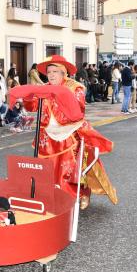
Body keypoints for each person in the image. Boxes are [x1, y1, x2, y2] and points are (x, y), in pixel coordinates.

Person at [22, 55, 117, 210]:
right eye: (49, 72)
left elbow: (77, 112)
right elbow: (32, 107)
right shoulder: (45, 88)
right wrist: (29, 94)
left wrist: (57, 95)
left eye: (55, 71)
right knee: (47, 168)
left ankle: (80, 194)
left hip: (69, 134)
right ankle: (51, 195)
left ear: (63, 73)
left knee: (69, 170)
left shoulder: (75, 88)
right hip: (47, 136)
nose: (51, 75)